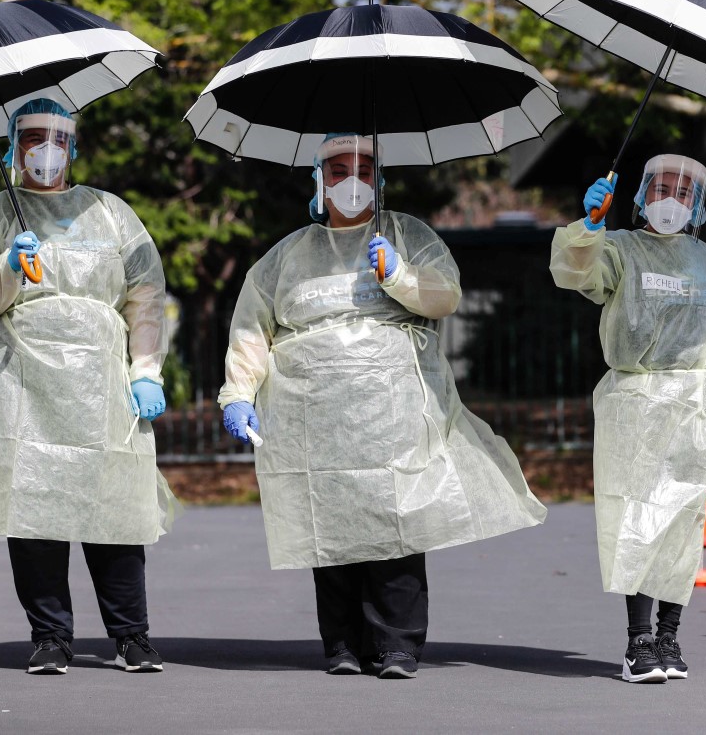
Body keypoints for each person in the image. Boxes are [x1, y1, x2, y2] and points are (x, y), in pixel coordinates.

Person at [218, 132, 546, 680]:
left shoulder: (407, 236)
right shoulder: (284, 258)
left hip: (392, 417)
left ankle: (397, 644)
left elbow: (446, 297)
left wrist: (399, 274)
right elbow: (253, 330)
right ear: (318, 183)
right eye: (339, 170)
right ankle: (342, 643)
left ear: (382, 181)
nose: (352, 182)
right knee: (331, 529)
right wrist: (238, 393)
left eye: (364, 170)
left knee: (397, 525)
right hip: (314, 421)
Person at [0, 97, 180, 675]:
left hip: (100, 384)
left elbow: (144, 293)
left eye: (58, 138)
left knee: (113, 509)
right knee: (35, 511)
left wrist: (146, 370)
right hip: (20, 384)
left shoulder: (112, 212)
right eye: (33, 138)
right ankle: (50, 636)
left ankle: (132, 636)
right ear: (11, 146)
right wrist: (8, 267)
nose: (46, 150)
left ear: (74, 146)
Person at [549, 153, 706, 684]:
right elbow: (573, 273)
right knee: (639, 518)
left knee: (682, 522)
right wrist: (589, 226)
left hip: (695, 409)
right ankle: (638, 642)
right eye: (660, 188)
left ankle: (669, 637)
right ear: (640, 196)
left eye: (683, 193)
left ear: (698, 205)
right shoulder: (621, 250)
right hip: (635, 403)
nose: (670, 200)